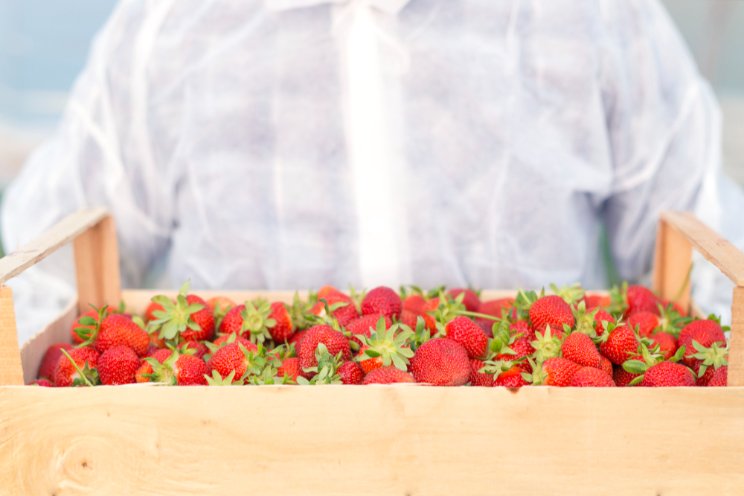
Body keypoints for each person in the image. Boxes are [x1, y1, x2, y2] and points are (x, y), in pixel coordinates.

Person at [3, 0, 744, 341]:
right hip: (234, 460)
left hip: (539, 456)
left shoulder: (593, 16)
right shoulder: (166, 29)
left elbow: (711, 265)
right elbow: (42, 280)